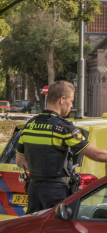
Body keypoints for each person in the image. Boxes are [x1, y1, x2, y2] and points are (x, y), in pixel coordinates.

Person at [16, 81, 107, 213]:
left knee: (36, 230)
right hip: (56, 192)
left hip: (34, 190)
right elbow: (96, 154)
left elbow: (20, 162)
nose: (72, 105)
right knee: (57, 230)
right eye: (71, 101)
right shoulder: (63, 128)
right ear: (62, 99)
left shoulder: (29, 125)